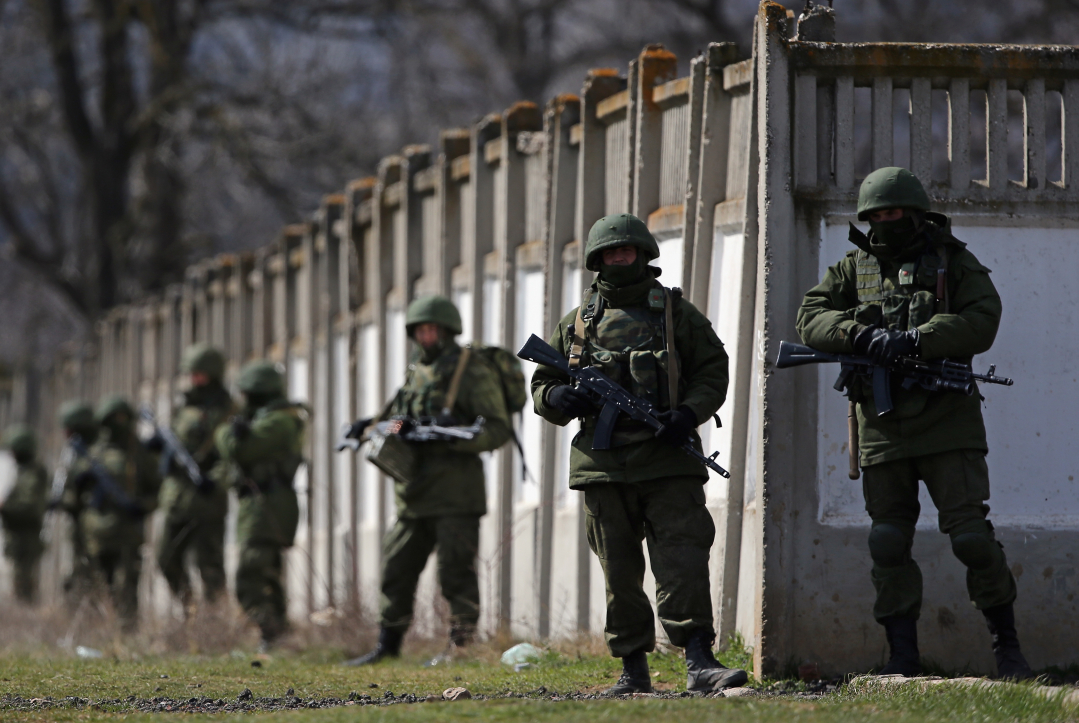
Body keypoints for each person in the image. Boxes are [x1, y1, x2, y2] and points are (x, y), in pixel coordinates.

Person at [796, 166, 1030, 679]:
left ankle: (1009, 650)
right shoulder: (852, 269)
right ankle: (903, 657)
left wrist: (919, 338)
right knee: (886, 541)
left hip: (948, 422)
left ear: (917, 213)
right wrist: (858, 334)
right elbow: (810, 317)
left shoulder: (953, 261)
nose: (887, 221)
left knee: (971, 538)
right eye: (878, 215)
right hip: (882, 426)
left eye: (896, 212)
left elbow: (982, 319)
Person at [530, 213, 744, 695]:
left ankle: (699, 661)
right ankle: (632, 669)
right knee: (619, 572)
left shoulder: (674, 313)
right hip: (603, 466)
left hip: (668, 461)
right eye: (610, 252)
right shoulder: (579, 321)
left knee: (683, 561)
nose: (619, 258)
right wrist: (558, 397)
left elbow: (713, 369)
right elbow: (543, 382)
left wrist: (687, 414)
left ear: (644, 254)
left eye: (626, 250)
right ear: (597, 260)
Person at [345, 295, 514, 666]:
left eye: (432, 329)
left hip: (457, 492)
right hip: (413, 493)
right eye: (419, 330)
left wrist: (455, 437)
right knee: (396, 568)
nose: (425, 336)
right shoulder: (416, 370)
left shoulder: (470, 371)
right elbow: (397, 418)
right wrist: (371, 426)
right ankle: (387, 645)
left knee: (455, 572)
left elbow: (498, 428)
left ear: (447, 330)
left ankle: (461, 646)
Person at [215, 361, 306, 648]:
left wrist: (227, 432)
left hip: (268, 506)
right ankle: (279, 636)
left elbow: (239, 449)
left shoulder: (279, 421)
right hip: (259, 505)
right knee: (267, 575)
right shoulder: (268, 418)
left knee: (250, 575)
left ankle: (270, 631)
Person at [156, 344, 235, 615]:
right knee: (166, 558)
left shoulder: (227, 410)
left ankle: (215, 621)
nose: (194, 379)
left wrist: (215, 480)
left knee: (209, 566)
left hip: (207, 501)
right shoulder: (184, 407)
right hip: (177, 498)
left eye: (199, 373)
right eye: (191, 373)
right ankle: (189, 610)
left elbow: (230, 456)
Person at [78, 395, 160, 626]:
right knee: (98, 585)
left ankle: (126, 631)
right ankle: (97, 629)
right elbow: (76, 495)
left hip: (128, 534)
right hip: (97, 533)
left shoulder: (139, 454)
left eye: (123, 418)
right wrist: (83, 480)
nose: (118, 424)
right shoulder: (94, 452)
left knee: (126, 587)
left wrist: (142, 506)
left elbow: (157, 490)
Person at [0, 424, 48, 603]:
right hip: (19, 537)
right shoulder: (24, 472)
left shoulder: (32, 474)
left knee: (23, 583)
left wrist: (5, 508)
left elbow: (28, 506)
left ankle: (25, 613)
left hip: (26, 538)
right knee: (19, 581)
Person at [53, 400, 98, 601]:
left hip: (91, 523)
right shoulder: (72, 452)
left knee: (86, 570)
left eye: (68, 429)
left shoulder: (92, 454)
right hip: (77, 522)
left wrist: (68, 500)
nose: (65, 433)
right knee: (74, 569)